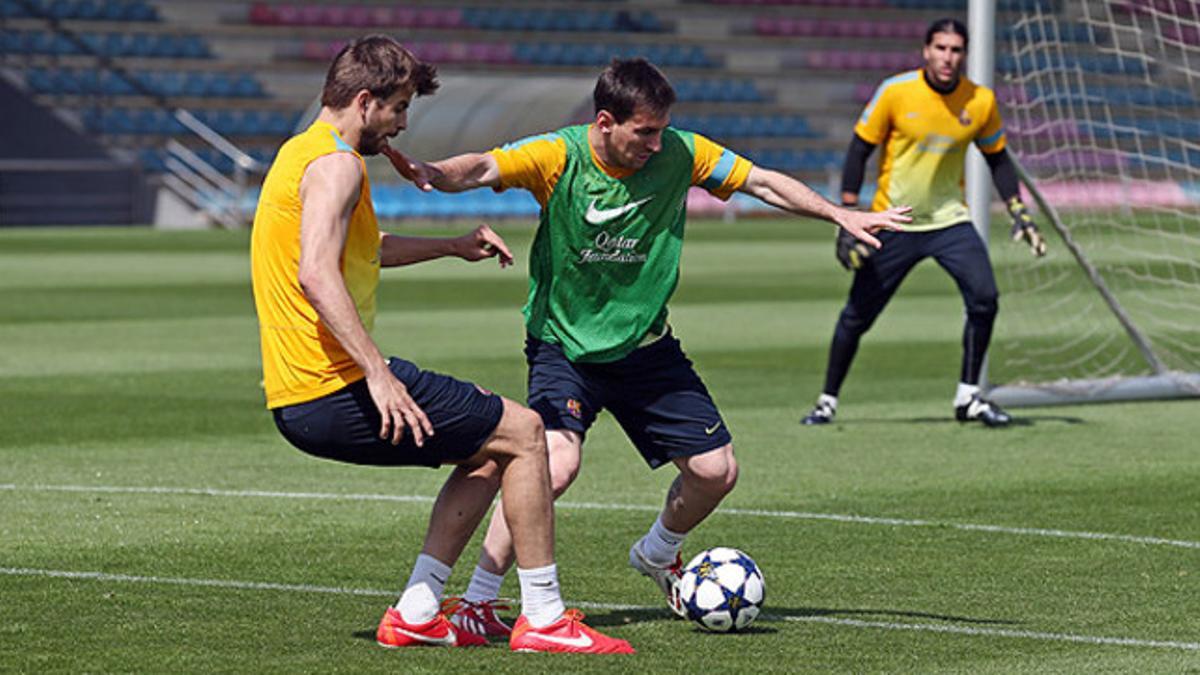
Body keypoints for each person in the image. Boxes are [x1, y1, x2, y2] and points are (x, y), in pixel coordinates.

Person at [389, 57, 910, 636]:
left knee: (716, 471)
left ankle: (659, 552)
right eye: (645, 132)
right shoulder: (560, 155)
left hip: (647, 349)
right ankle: (479, 600)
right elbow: (485, 165)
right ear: (606, 121)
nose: (657, 145)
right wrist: (435, 171)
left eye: (663, 131)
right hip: (566, 349)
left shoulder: (682, 153)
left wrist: (838, 213)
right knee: (552, 464)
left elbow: (759, 180)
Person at [249, 35, 632, 654]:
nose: (402, 125)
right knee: (529, 432)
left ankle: (419, 611)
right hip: (335, 385)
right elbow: (316, 273)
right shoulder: (338, 164)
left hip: (301, 395)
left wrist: (452, 245)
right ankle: (543, 617)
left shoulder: (301, 154)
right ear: (366, 101)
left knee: (487, 451)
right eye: (399, 109)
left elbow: (364, 252)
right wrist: (378, 374)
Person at [800, 18, 1048, 429]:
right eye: (941, 48)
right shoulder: (896, 92)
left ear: (963, 54)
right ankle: (827, 401)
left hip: (950, 221)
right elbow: (859, 151)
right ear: (926, 50)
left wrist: (1018, 209)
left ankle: (968, 397)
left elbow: (997, 159)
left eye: (955, 50)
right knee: (857, 316)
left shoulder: (980, 100)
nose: (948, 57)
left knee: (985, 297)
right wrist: (847, 217)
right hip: (894, 220)